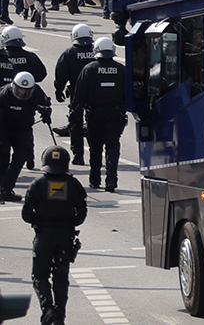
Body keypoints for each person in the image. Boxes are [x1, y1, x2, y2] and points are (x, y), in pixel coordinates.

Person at [22, 145, 88, 325]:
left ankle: (48, 308)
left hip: (43, 236)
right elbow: (81, 214)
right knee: (61, 278)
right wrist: (68, 222)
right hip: (65, 238)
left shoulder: (38, 183)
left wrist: (40, 219)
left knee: (40, 276)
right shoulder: (74, 183)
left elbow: (26, 214)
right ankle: (60, 317)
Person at [73, 38, 127, 191]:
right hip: (115, 114)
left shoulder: (89, 69)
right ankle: (111, 181)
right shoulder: (121, 70)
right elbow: (129, 93)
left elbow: (79, 95)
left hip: (94, 115)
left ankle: (94, 179)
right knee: (113, 147)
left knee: (95, 148)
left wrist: (76, 112)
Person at [0, 72, 52, 200]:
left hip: (23, 129)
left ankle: (7, 189)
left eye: (26, 91)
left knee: (21, 155)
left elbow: (46, 104)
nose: (22, 93)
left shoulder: (36, 91)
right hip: (4, 128)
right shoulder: (4, 94)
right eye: (20, 90)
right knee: (3, 158)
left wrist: (45, 111)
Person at [53, 24, 96, 164]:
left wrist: (59, 90)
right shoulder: (98, 51)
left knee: (75, 123)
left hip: (76, 93)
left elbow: (61, 73)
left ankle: (78, 156)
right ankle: (95, 154)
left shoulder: (70, 53)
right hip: (96, 94)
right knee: (93, 124)